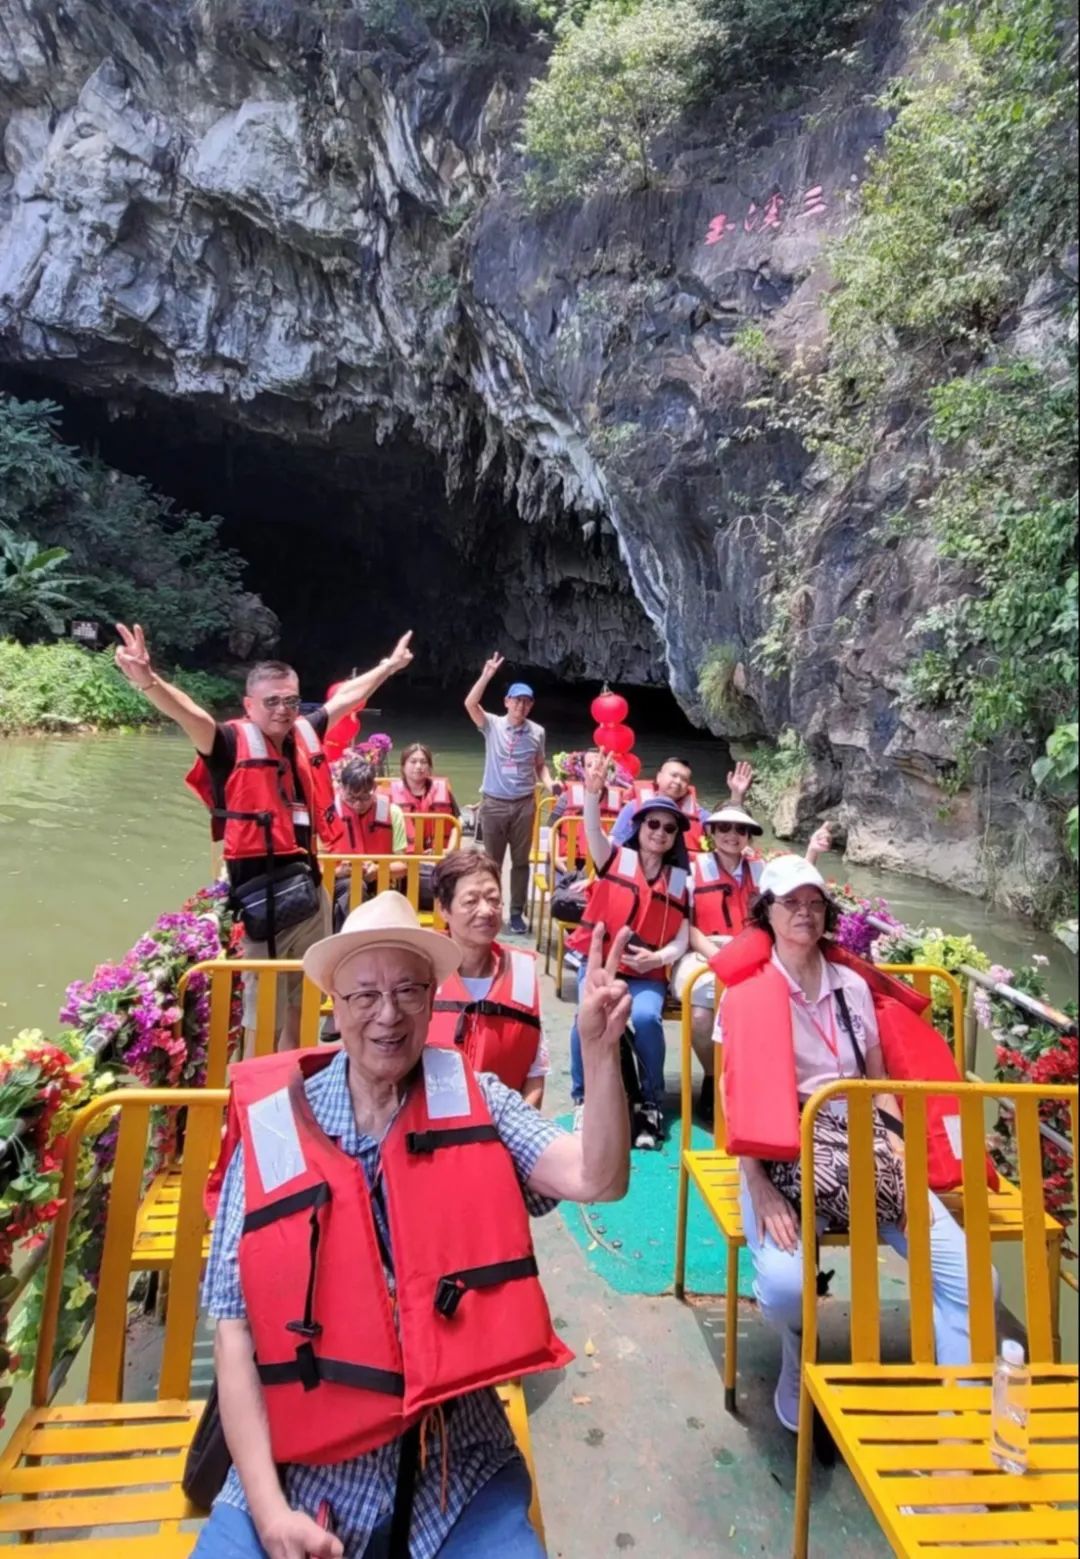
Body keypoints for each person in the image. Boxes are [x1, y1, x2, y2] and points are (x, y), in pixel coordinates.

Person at [194, 892, 633, 1559]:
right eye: (365, 995)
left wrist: (599, 1058)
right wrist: (270, 1510)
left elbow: (596, 1177)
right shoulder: (275, 1127)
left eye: (407, 989)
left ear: (432, 998)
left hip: (457, 1468)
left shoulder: (476, 1098)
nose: (388, 1014)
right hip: (298, 1468)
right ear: (334, 1006)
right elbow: (234, 1329)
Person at [714, 856, 982, 1434]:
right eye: (792, 904)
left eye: (815, 905)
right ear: (767, 913)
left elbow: (880, 1086)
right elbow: (736, 1096)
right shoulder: (747, 994)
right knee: (786, 1292)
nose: (805, 915)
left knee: (979, 1282)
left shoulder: (852, 986)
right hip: (780, 1158)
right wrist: (758, 1185)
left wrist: (900, 1157)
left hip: (864, 1153)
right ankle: (796, 1356)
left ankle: (960, 1414)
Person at [114, 622, 414, 1051]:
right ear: (249, 705)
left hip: (309, 892)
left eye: (291, 700)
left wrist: (388, 665)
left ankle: (296, 1075)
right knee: (263, 1015)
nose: (283, 710)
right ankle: (261, 1087)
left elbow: (346, 698)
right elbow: (190, 715)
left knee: (303, 998)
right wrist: (147, 680)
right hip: (260, 906)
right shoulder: (230, 743)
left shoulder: (305, 732)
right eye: (272, 701)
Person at [672, 814, 832, 1125]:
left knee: (784, 996)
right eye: (725, 828)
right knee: (702, 1011)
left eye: (741, 830)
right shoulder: (691, 870)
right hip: (704, 951)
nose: (732, 835)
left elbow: (795, 887)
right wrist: (722, 958)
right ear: (711, 832)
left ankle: (769, 1081)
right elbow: (688, 927)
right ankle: (711, 1076)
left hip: (754, 947)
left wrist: (812, 851)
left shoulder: (760, 869)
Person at [566, 765, 692, 1150]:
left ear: (675, 839)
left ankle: (651, 1098)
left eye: (669, 829)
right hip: (602, 963)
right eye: (653, 824)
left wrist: (656, 960)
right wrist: (591, 794)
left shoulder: (678, 881)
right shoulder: (615, 858)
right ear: (639, 826)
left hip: (645, 971)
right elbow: (592, 833)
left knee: (645, 1017)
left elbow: (682, 939)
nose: (659, 833)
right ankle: (584, 1098)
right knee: (585, 1018)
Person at [430, 851, 548, 1105]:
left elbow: (535, 1074)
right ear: (443, 909)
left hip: (507, 1132)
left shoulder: (523, 973)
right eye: (471, 901)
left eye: (494, 900)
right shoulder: (420, 973)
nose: (486, 910)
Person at [464, 655, 553, 937]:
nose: (521, 706)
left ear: (531, 705)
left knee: (521, 861)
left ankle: (516, 912)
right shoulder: (492, 724)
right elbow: (470, 704)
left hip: (524, 804)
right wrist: (487, 674)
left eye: (526, 701)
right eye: (516, 700)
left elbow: (539, 765)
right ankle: (490, 909)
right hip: (493, 804)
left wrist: (550, 785)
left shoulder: (537, 732)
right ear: (506, 702)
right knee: (490, 861)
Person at [609, 758, 754, 854]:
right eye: (673, 775)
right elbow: (615, 843)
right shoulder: (634, 808)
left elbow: (727, 828)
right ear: (659, 777)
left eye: (684, 779)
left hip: (684, 875)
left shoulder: (699, 814)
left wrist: (736, 795)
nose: (678, 782)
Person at [332, 758, 410, 926]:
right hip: (339, 882)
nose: (358, 804)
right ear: (341, 789)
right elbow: (317, 867)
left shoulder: (393, 812)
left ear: (374, 790)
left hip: (380, 879)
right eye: (351, 798)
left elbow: (402, 866)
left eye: (365, 797)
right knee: (354, 887)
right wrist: (339, 871)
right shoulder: (329, 815)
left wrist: (378, 869)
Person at [387, 743, 459, 851]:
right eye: (413, 761)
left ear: (429, 767)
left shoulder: (443, 790)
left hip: (438, 855)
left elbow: (457, 823)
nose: (418, 766)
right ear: (403, 766)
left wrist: (449, 851)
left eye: (423, 762)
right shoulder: (389, 794)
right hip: (403, 859)